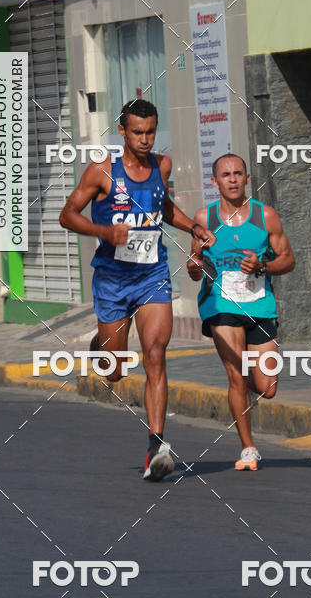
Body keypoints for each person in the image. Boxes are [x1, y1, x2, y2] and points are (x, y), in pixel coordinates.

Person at [59, 99, 215, 480]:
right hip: (113, 279)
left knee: (155, 354)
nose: (145, 139)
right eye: (137, 132)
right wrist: (104, 231)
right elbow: (67, 214)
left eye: (150, 132)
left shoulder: (162, 166)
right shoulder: (101, 171)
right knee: (113, 372)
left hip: (151, 275)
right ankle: (102, 347)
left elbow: (163, 207)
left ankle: (156, 445)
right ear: (123, 132)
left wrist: (193, 228)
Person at [186, 153, 295, 471]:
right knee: (236, 375)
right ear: (215, 181)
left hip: (259, 305)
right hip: (220, 305)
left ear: (247, 178)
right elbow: (196, 261)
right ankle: (248, 448)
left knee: (267, 387)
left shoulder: (266, 216)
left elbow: (288, 260)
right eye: (225, 175)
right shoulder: (204, 217)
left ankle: (244, 390)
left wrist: (263, 265)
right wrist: (194, 268)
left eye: (237, 174)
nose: (232, 179)